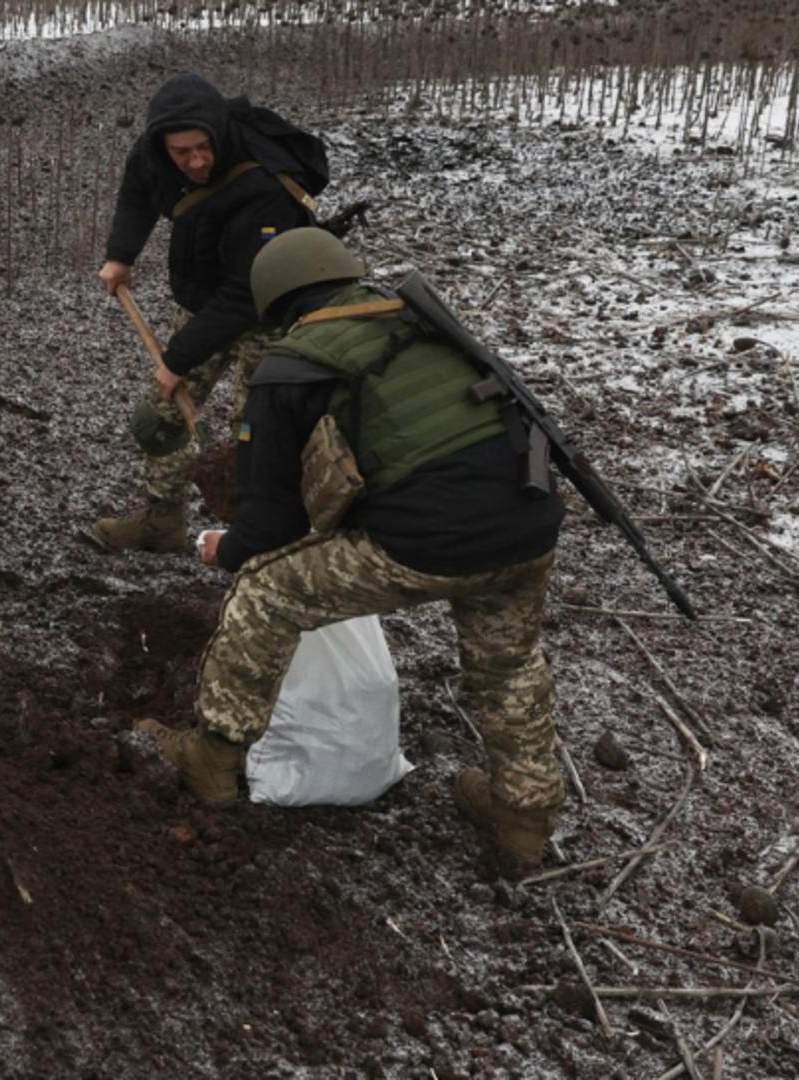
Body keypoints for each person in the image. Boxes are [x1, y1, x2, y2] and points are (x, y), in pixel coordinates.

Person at [135, 227, 568, 878]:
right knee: (508, 667)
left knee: (266, 592)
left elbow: (270, 525)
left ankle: (211, 759)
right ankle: (522, 815)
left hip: (430, 538)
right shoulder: (424, 325)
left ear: (276, 305)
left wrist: (228, 552)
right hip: (530, 521)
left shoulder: (289, 366)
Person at [91, 73, 324, 553]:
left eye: (204, 148)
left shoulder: (264, 186)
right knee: (157, 418)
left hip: (269, 312)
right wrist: (121, 255)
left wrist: (177, 359)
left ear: (218, 134)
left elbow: (245, 295)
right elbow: (138, 191)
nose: (196, 161)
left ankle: (260, 546)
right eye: (183, 153)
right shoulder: (154, 152)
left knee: (256, 440)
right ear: (164, 146)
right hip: (205, 300)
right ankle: (162, 521)